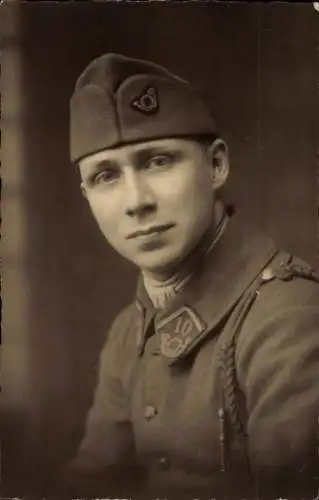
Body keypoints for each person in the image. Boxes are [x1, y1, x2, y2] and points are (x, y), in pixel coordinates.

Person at [59, 53, 319, 499]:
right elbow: (92, 484)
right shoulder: (130, 331)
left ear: (216, 165)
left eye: (158, 161)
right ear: (86, 194)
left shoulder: (289, 318)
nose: (135, 201)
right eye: (106, 175)